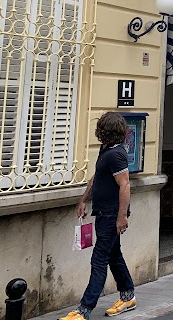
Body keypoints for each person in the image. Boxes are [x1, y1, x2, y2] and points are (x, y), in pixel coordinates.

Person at [61, 112, 135, 320]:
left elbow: (125, 185)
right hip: (104, 213)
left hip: (111, 215)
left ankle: (84, 310)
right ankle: (128, 296)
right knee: (114, 256)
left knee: (99, 260)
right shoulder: (107, 151)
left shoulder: (115, 154)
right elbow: (97, 177)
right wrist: (83, 199)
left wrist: (121, 217)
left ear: (104, 131)